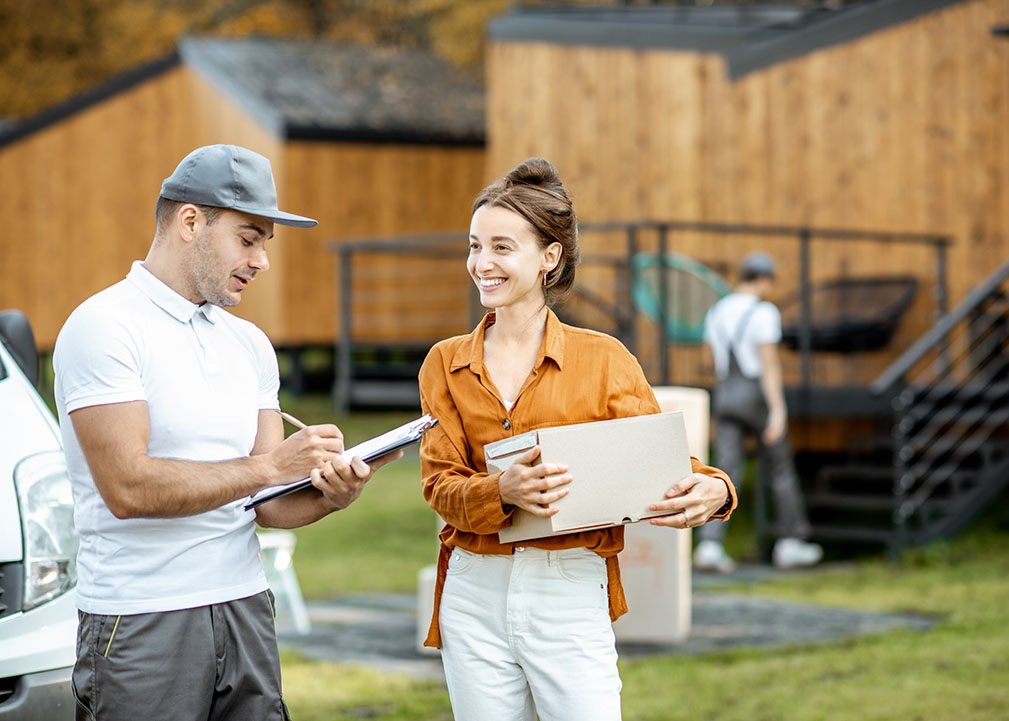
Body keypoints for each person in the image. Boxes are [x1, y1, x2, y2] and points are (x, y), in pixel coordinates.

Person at [53, 144, 402, 721]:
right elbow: (128, 489)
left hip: (245, 608)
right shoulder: (103, 327)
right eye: (249, 238)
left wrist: (332, 494)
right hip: (140, 618)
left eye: (265, 242)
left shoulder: (249, 344)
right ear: (191, 221)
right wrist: (272, 468)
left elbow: (266, 507)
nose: (261, 259)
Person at [417, 158, 737, 720]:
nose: (481, 263)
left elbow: (656, 461)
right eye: (474, 246)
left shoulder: (604, 359)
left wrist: (716, 489)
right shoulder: (444, 363)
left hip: (567, 587)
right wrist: (502, 492)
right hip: (474, 589)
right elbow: (440, 485)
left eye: (501, 247)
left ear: (549, 257)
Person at [694, 252, 823, 572]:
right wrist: (778, 410)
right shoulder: (764, 312)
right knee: (779, 468)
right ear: (763, 280)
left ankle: (710, 545)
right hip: (755, 395)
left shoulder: (717, 310)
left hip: (725, 394)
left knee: (726, 469)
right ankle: (790, 542)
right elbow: (769, 364)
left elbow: (708, 362)